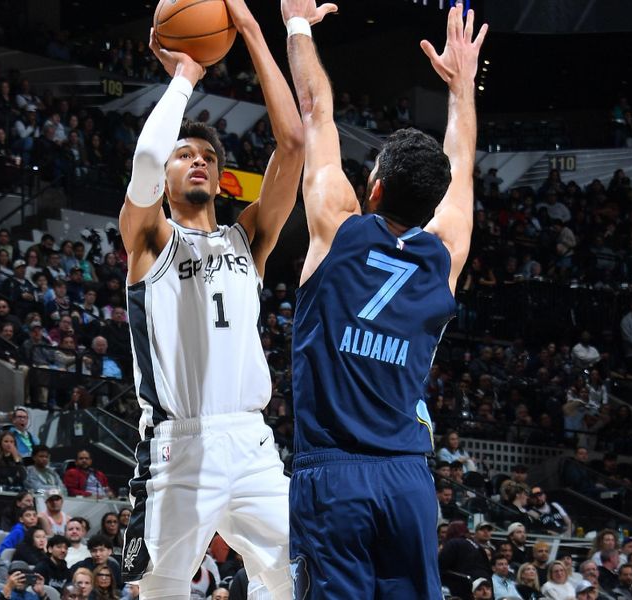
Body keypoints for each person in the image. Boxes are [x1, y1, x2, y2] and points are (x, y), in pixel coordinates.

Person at [282, 1, 487, 597]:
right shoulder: (445, 253)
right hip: (408, 482)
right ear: (432, 203)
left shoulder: (338, 228)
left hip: (333, 473)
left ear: (371, 187)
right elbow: (464, 164)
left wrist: (297, 25)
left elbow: (317, 112)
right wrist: (461, 88)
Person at [119, 1, 305, 597]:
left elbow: (294, 142)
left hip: (251, 441)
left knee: (294, 578)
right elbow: (147, 157)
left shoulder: (245, 238)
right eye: (186, 154)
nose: (198, 159)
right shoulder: (150, 237)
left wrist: (250, 27)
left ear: (220, 177)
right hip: (178, 447)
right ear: (168, 179)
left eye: (208, 156)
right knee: (160, 591)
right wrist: (184, 78)